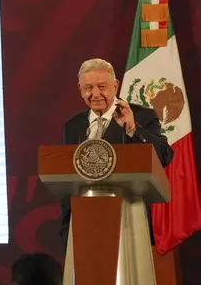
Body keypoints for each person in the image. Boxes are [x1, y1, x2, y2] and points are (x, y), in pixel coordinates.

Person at [59, 58, 175, 246]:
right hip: (83, 225)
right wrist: (66, 225)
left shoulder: (140, 116)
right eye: (88, 88)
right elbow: (67, 177)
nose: (95, 94)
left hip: (129, 222)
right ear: (80, 89)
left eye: (102, 87)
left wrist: (133, 128)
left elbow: (164, 156)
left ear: (115, 85)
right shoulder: (72, 125)